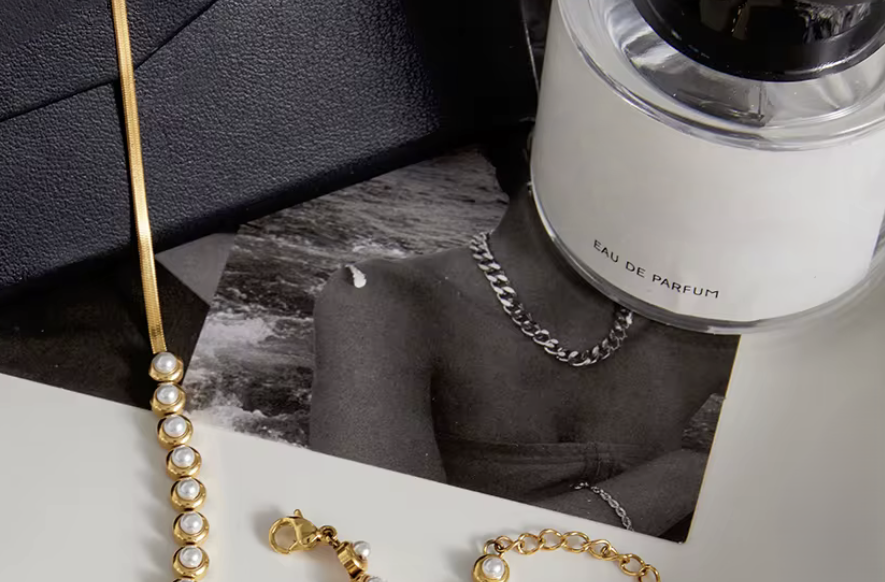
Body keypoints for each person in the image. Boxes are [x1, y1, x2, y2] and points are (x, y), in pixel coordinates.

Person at [308, 176, 737, 539]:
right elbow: (387, 541)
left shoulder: (710, 332)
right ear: (537, 141)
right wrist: (681, 478)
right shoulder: (386, 301)